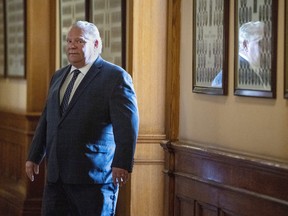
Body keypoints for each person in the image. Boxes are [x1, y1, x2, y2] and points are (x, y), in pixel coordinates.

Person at [25, 20, 139, 216]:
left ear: (96, 44)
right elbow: (47, 119)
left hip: (92, 178)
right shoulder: (59, 76)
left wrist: (122, 163)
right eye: (69, 41)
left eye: (79, 41)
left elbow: (127, 125)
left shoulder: (115, 77)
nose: (71, 46)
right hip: (56, 177)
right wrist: (34, 156)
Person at [211, 21, 265, 88]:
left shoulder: (236, 69)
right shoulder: (240, 73)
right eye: (261, 43)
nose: (267, 49)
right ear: (245, 45)